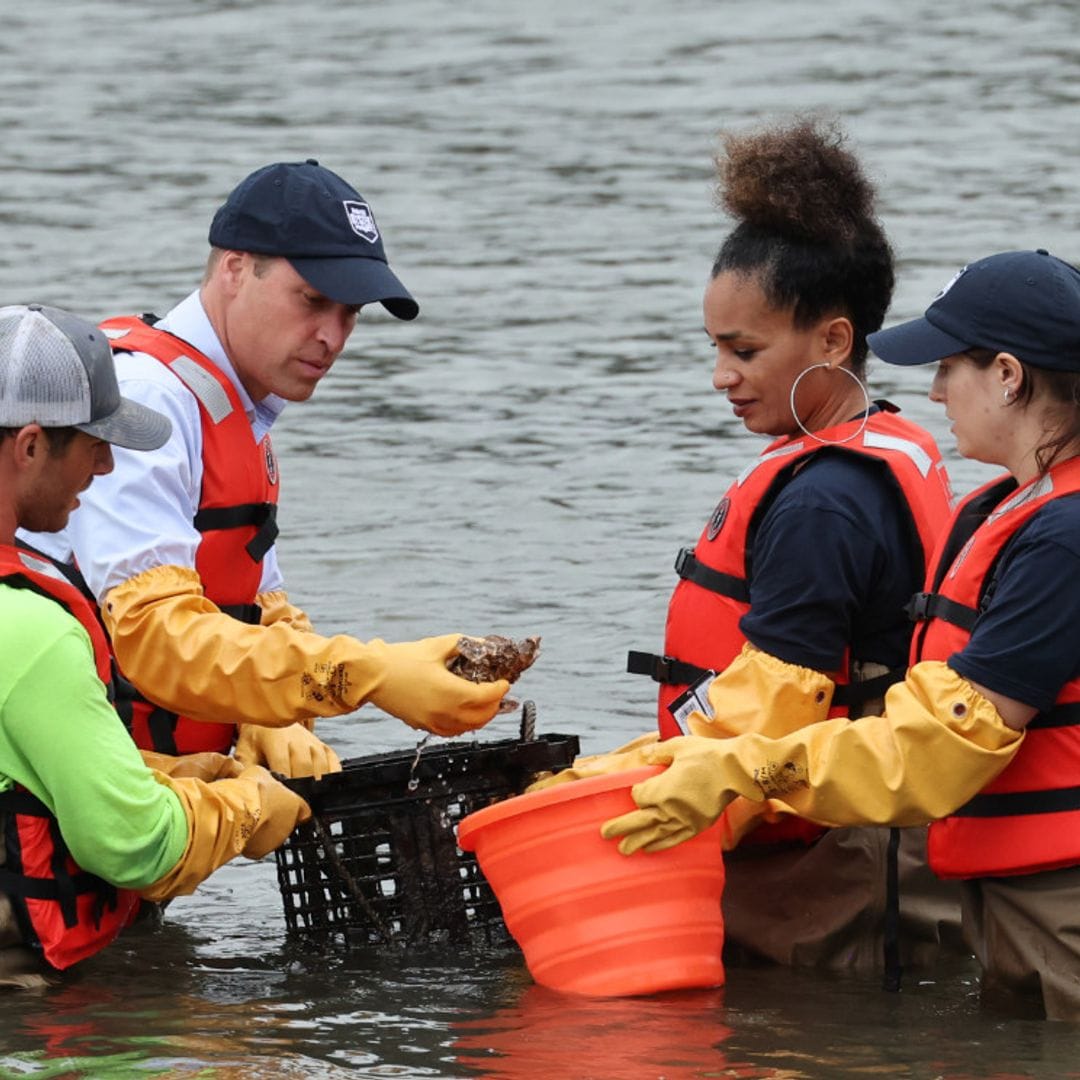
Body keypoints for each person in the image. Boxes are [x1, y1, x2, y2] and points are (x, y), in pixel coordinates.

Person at [602, 248, 1080, 1021]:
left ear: (1007, 375)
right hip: (1014, 899)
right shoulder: (1017, 508)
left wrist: (742, 768)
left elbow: (937, 750)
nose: (931, 391)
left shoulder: (1063, 538)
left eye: (948, 367)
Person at [21, 160, 509, 779]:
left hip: (125, 789)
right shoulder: (150, 402)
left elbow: (259, 610)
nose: (333, 336)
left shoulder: (238, 412)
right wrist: (368, 674)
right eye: (314, 300)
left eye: (352, 312)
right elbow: (153, 637)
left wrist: (272, 715)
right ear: (234, 269)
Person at [615, 118, 960, 973]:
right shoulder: (881, 448)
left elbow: (779, 703)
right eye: (715, 350)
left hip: (826, 865)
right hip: (869, 843)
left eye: (745, 351)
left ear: (835, 341)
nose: (721, 376)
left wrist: (636, 798)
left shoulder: (826, 504)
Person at [0, 303, 310, 988]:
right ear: (28, 447)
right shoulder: (28, 630)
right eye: (92, 442)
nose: (108, 465)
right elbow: (133, 844)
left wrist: (172, 773)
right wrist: (246, 808)